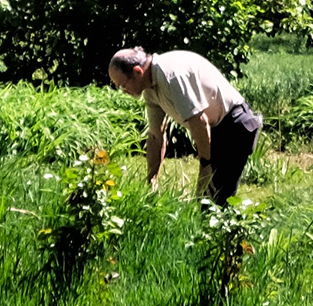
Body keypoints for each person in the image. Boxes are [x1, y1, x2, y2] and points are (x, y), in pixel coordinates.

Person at [109, 45, 264, 203]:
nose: (124, 91)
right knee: (206, 203)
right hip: (215, 129)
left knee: (213, 203)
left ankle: (237, 225)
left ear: (137, 72)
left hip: (234, 127)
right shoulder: (150, 88)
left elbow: (200, 121)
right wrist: (151, 180)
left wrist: (205, 166)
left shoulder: (171, 75)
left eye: (123, 85)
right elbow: (156, 135)